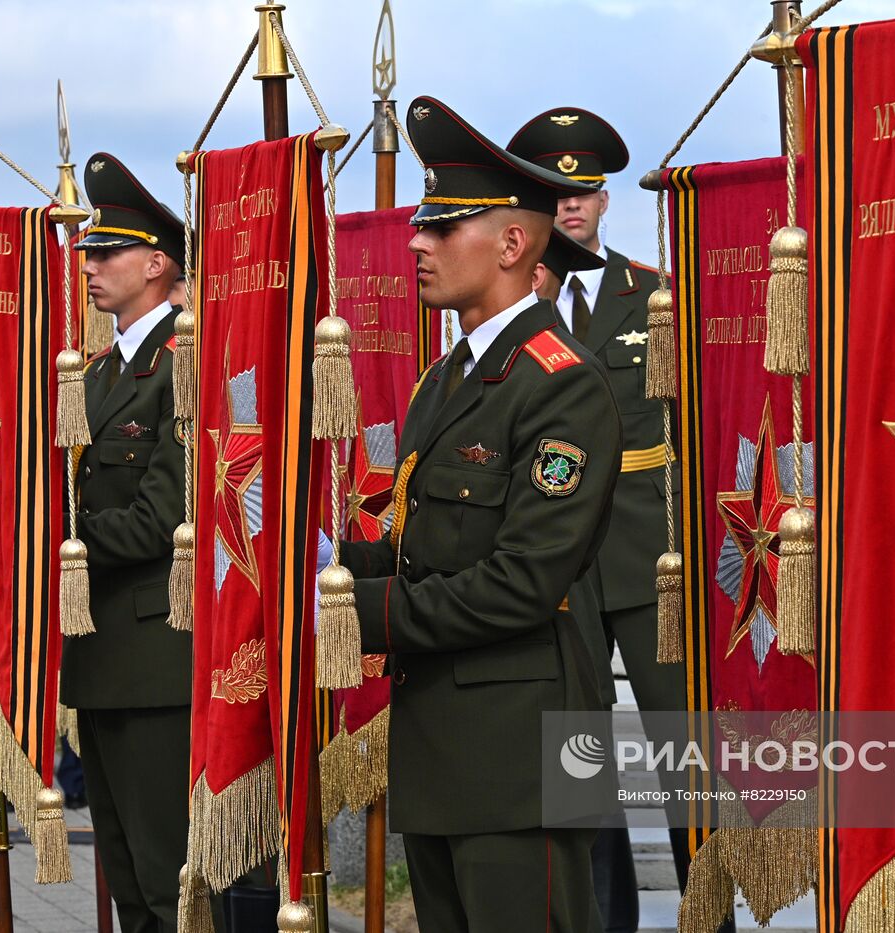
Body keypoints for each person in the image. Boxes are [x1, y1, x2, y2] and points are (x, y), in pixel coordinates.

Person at [332, 97, 622, 932]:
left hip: (520, 756)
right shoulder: (448, 379)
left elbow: (519, 584)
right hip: (444, 746)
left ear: (511, 244)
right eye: (422, 223)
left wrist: (358, 612)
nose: (417, 242)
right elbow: (423, 548)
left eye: (444, 225)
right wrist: (325, 565)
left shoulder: (560, 383)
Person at [510, 108, 705, 933]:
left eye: (585, 193)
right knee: (579, 763)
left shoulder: (655, 295)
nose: (572, 209)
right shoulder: (515, 310)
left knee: (679, 753)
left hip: (645, 559)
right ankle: (601, 920)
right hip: (561, 565)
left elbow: (690, 424)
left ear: (604, 200)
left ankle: (707, 913)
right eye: (557, 195)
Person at [62, 151, 194, 933]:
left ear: (156, 263)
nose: (90, 264)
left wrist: (55, 544)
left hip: (155, 663)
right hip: (101, 658)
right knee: (127, 880)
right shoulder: (103, 371)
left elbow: (160, 518)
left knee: (166, 880)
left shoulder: (183, 363)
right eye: (89, 251)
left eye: (107, 251)